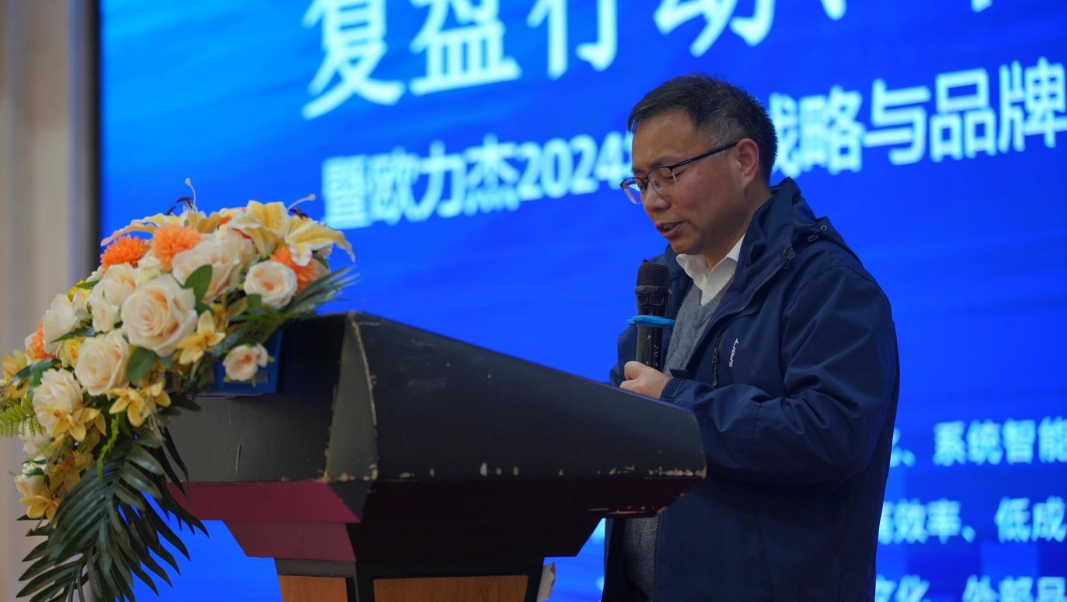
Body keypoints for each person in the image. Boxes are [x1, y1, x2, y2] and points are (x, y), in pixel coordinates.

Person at [605, 74, 900, 601]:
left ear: (743, 161)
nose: (651, 200)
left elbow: (833, 433)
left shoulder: (826, 283)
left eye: (668, 175)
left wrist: (675, 406)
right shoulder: (662, 287)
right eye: (641, 182)